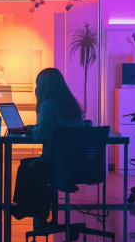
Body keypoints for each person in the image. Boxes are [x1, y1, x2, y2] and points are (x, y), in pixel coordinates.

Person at [10, 68, 85, 223]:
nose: (36, 88)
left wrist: (32, 129)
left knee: (26, 167)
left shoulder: (48, 105)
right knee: (31, 166)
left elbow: (40, 136)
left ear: (44, 86)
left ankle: (28, 208)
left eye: (38, 84)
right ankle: (35, 211)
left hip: (56, 165)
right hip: (75, 165)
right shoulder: (72, 104)